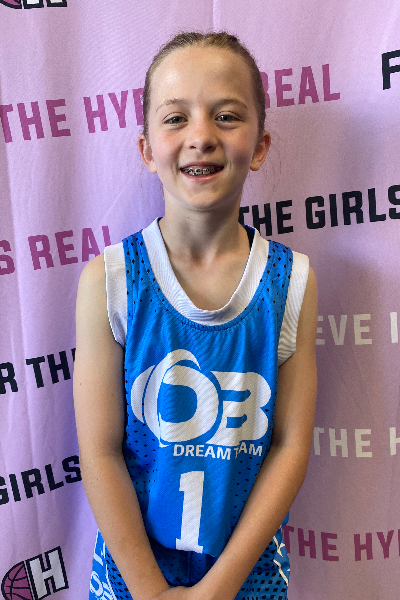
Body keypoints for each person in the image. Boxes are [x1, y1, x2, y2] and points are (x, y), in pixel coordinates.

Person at [74, 31, 318, 600]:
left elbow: (289, 445)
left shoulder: (293, 282)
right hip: (130, 579)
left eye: (226, 116)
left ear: (259, 145)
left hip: (248, 578)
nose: (201, 136)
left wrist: (217, 591)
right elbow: (100, 452)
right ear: (146, 149)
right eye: (176, 118)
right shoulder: (108, 281)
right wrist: (152, 593)